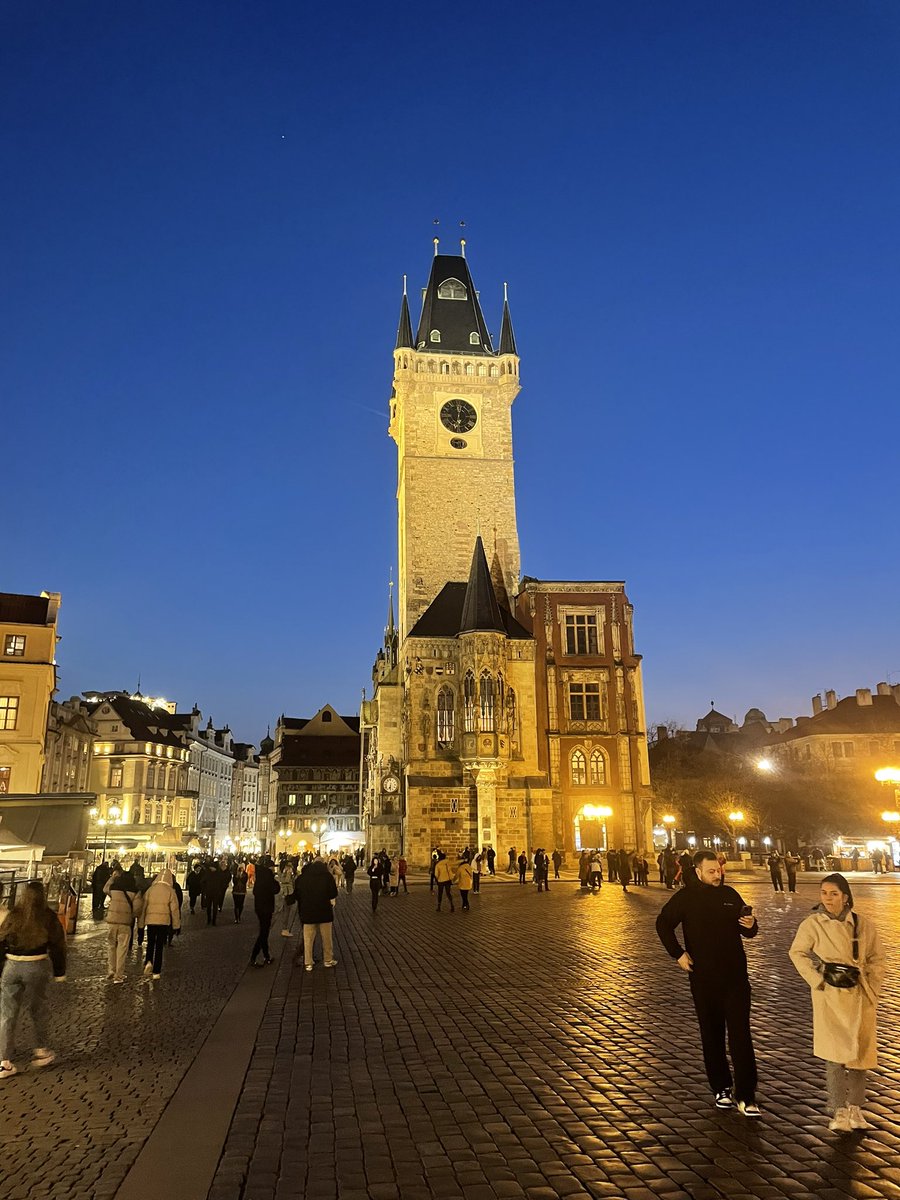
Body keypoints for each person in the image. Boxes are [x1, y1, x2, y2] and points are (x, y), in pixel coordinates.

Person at [655, 849, 761, 1117]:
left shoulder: (729, 895)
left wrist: (750, 924)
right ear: (698, 871)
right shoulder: (685, 897)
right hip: (703, 978)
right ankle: (721, 1087)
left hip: (735, 976)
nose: (717, 875)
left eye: (719, 870)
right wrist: (678, 954)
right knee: (712, 1035)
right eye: (711, 871)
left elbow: (748, 931)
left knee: (741, 1035)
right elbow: (663, 924)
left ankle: (746, 1094)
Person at [788, 873, 885, 1132]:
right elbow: (797, 952)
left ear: (845, 897)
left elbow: (877, 958)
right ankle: (839, 1110)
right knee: (834, 1055)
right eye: (824, 893)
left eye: (833, 893)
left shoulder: (863, 924)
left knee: (861, 1056)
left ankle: (856, 1108)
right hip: (831, 995)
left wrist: (873, 986)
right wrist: (817, 980)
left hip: (860, 994)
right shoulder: (813, 924)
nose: (828, 898)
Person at [0, 881, 66, 1078]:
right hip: (37, 964)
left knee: (7, 1014)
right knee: (38, 1009)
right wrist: (60, 971)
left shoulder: (14, 914)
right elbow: (58, 945)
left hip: (12, 965)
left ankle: (4, 1061)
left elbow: (2, 940)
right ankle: (41, 1051)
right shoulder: (48, 916)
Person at [293, 859, 339, 971]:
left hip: (308, 912)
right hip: (324, 912)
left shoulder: (303, 878)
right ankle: (328, 960)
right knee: (327, 938)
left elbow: (297, 894)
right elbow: (333, 893)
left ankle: (308, 962)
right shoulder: (327, 877)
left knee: (308, 939)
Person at [138, 868, 181, 980]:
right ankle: (156, 971)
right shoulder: (170, 891)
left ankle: (148, 961)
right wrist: (176, 925)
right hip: (163, 922)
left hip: (151, 921)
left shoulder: (150, 890)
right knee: (159, 946)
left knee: (150, 943)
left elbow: (143, 907)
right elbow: (175, 910)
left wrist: (141, 924)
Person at [105, 866, 143, 984]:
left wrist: (112, 878)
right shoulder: (135, 891)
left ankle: (111, 970)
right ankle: (119, 975)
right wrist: (131, 916)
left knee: (111, 946)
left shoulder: (114, 888)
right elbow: (137, 909)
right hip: (125, 924)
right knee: (122, 948)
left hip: (112, 922)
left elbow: (105, 889)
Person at [249, 857, 280, 967]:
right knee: (263, 933)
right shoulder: (268, 877)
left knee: (264, 932)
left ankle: (267, 956)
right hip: (266, 908)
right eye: (272, 867)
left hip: (259, 908)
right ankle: (254, 956)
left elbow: (255, 892)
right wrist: (274, 880)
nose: (274, 869)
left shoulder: (260, 877)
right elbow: (276, 889)